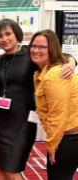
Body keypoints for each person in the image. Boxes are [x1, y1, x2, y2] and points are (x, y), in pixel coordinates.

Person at [0, 19, 76, 180]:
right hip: (0, 121)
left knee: (12, 170)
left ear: (17, 34)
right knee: (1, 168)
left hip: (22, 122)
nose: (4, 38)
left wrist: (72, 62)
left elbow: (61, 56)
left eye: (8, 33)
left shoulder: (31, 53)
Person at [30, 29, 78, 180]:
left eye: (42, 47)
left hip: (71, 134)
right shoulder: (41, 72)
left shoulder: (54, 75)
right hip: (64, 134)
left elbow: (57, 114)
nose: (36, 50)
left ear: (52, 50)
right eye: (33, 46)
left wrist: (51, 145)